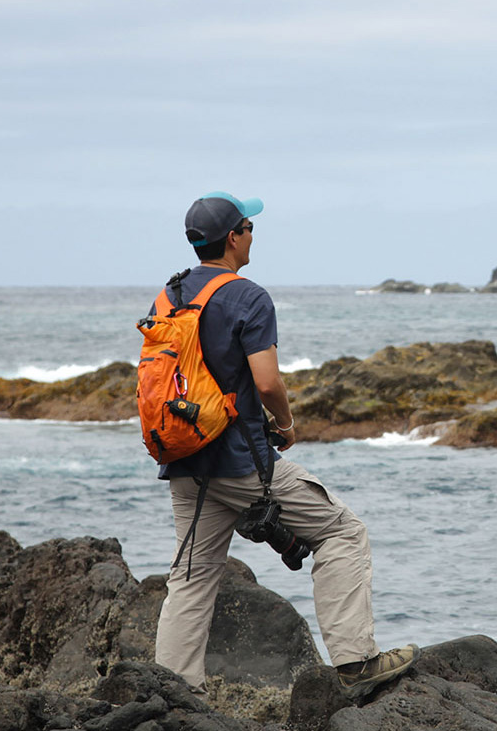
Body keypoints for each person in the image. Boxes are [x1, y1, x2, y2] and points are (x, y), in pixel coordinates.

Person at [153, 190, 414, 695]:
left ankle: (173, 691)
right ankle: (356, 661)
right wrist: (287, 425)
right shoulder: (247, 295)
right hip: (243, 463)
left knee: (191, 575)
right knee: (343, 533)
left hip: (185, 459)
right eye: (248, 227)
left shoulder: (169, 295)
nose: (253, 234)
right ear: (232, 238)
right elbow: (267, 382)